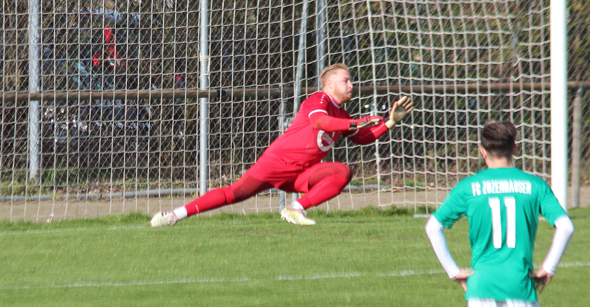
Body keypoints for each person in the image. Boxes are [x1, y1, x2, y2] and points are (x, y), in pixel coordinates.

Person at [424, 121, 574, 307]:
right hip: (520, 283)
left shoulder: (470, 187)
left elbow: (433, 227)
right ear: (514, 148)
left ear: (482, 151)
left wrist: (454, 271)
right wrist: (548, 267)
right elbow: (566, 226)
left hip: (481, 285)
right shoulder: (534, 185)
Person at [151, 63, 414, 227]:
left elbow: (362, 137)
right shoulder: (318, 100)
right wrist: (357, 122)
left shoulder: (342, 113)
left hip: (300, 174)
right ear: (330, 84)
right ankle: (174, 215)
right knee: (235, 193)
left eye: (350, 80)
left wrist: (390, 121)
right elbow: (320, 122)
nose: (351, 85)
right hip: (276, 164)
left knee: (342, 172)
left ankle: (294, 209)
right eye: (346, 80)